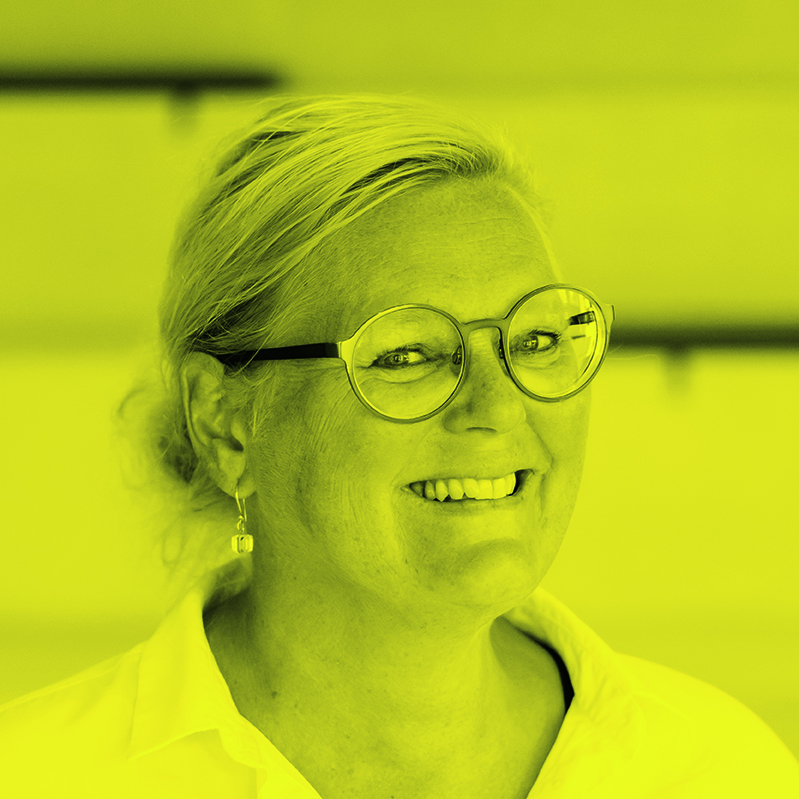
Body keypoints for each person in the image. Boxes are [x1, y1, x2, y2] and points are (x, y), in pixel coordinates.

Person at [1, 93, 797, 798]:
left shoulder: (720, 772)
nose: (498, 406)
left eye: (535, 338)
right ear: (226, 422)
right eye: (407, 353)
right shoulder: (37, 776)